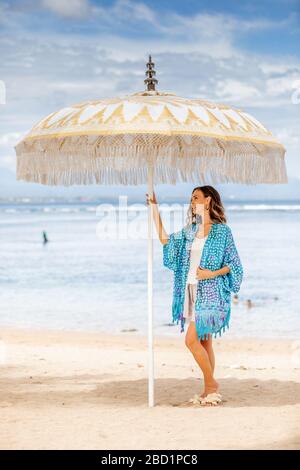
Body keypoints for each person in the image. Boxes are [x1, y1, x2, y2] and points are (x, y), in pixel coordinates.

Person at [146, 186, 243, 406]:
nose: (192, 201)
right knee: (205, 342)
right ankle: (209, 389)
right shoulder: (190, 230)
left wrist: (211, 273)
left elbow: (234, 265)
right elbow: (165, 241)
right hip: (189, 291)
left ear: (208, 201)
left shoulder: (222, 232)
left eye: (196, 197)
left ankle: (211, 385)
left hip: (211, 294)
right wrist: (154, 209)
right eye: (191, 198)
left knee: (190, 340)